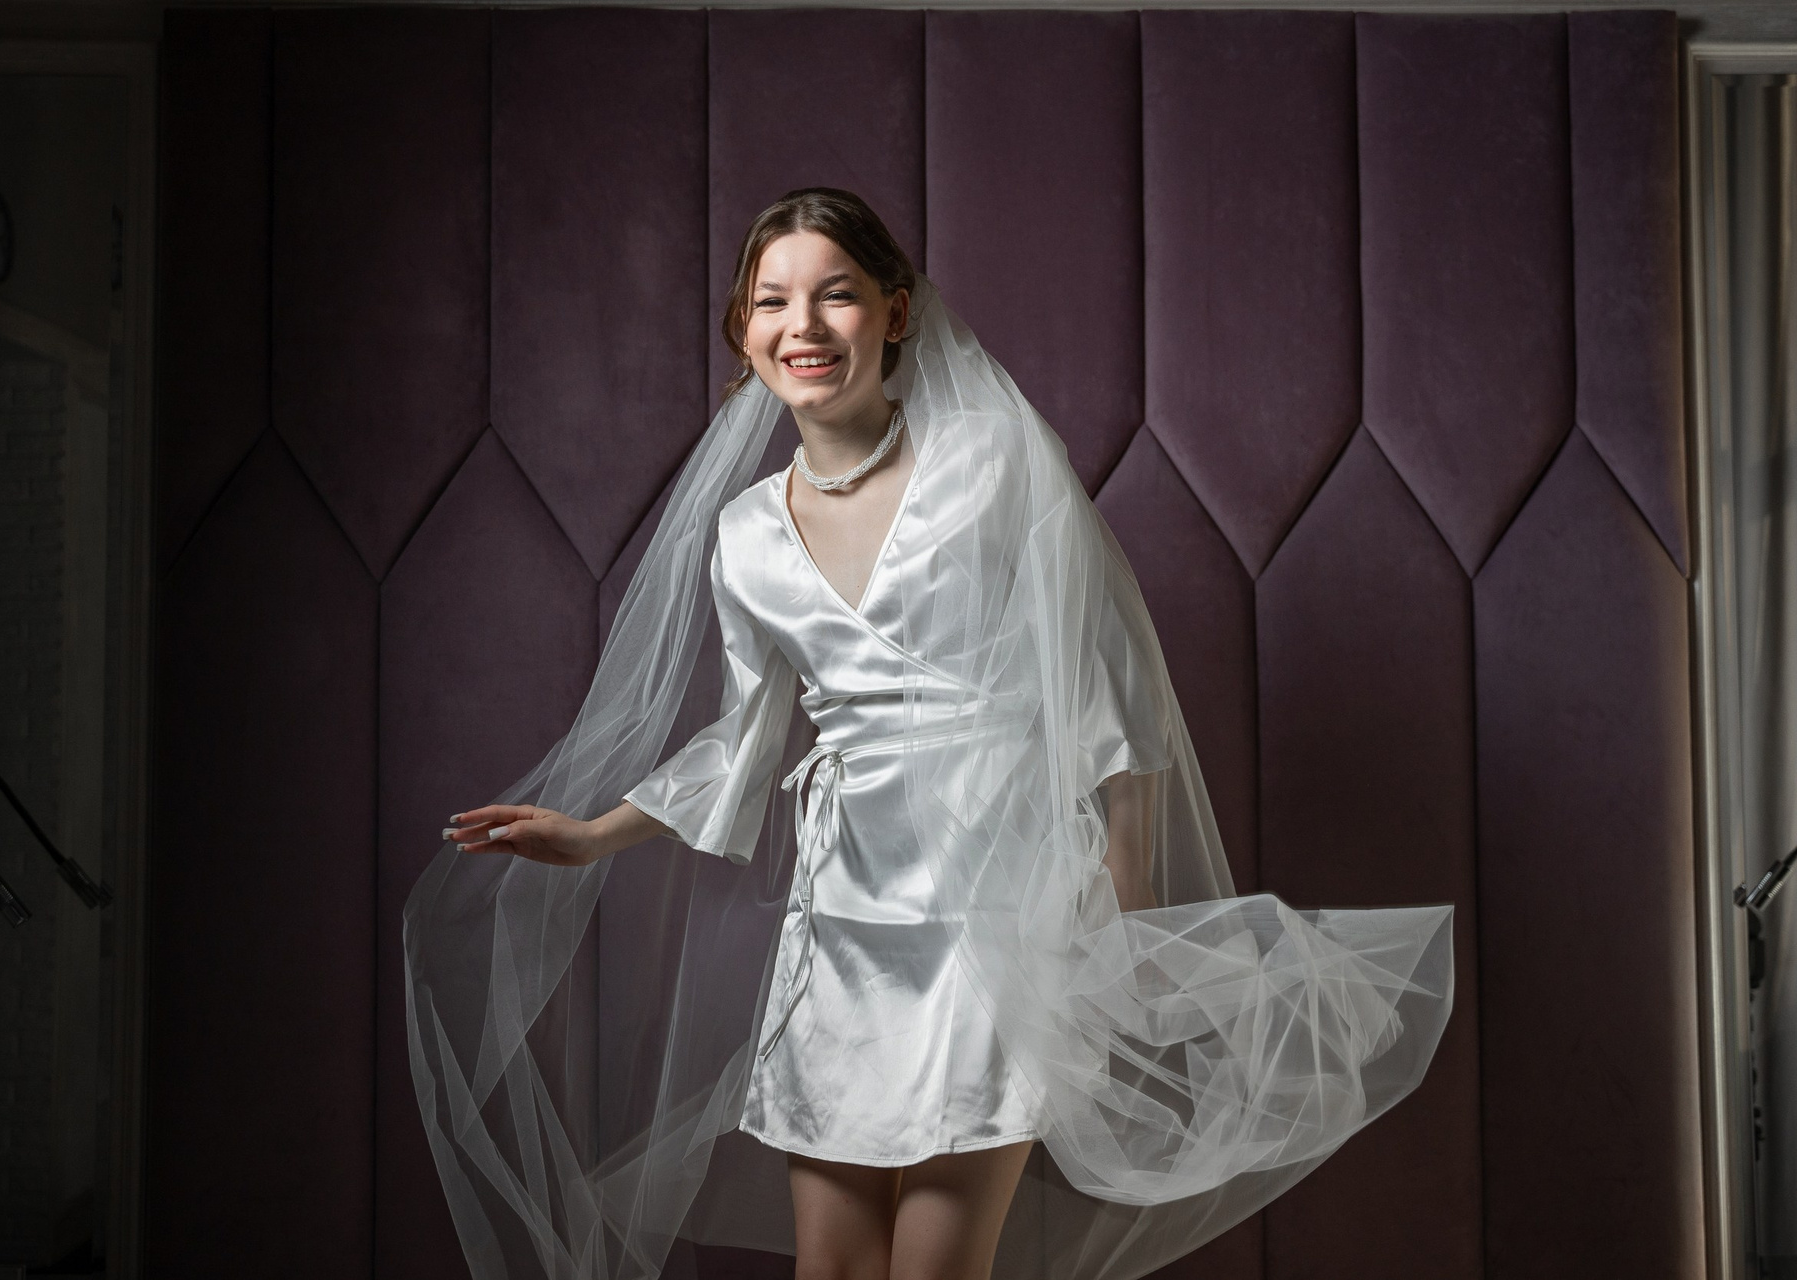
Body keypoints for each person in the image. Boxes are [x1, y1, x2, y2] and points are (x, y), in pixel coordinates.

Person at [413, 189, 1454, 1280]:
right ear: (742, 332)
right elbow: (745, 738)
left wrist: (1127, 911)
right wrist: (593, 836)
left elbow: (1109, 689)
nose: (803, 325)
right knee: (834, 1269)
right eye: (771, 301)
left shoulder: (994, 462)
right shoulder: (747, 534)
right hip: (844, 925)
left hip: (999, 915)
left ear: (897, 312)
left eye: (836, 295)